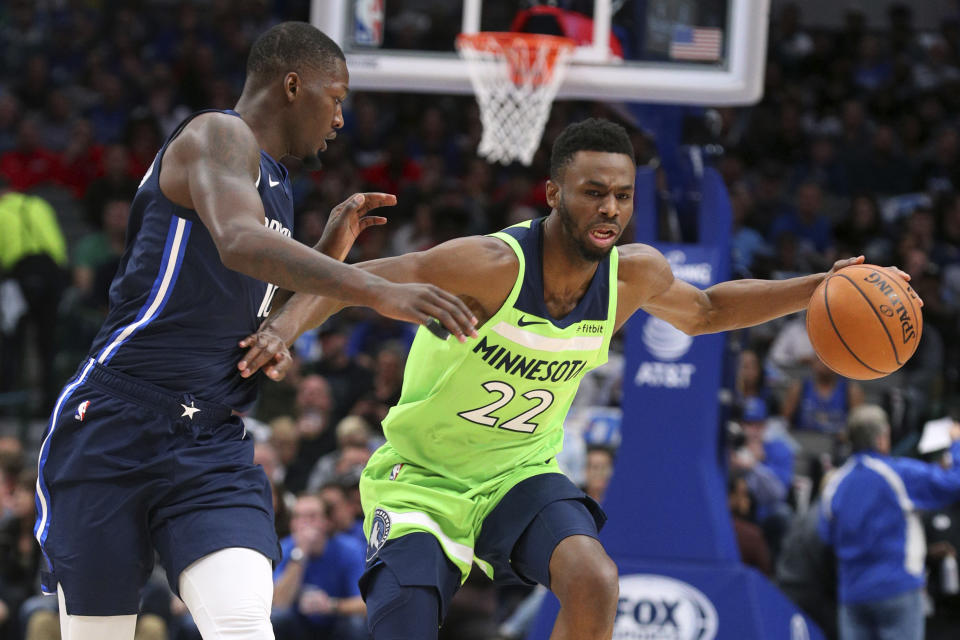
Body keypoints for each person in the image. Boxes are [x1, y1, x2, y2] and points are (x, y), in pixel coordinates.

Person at [240, 118, 916, 639]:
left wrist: (820, 285)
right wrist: (282, 329)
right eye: (594, 193)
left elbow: (708, 311)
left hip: (519, 474)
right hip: (423, 479)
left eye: (622, 196)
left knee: (594, 578)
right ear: (555, 193)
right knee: (406, 623)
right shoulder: (489, 265)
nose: (610, 210)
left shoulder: (635, 275)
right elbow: (354, 281)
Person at [33, 22, 477, 640]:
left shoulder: (277, 189)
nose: (341, 119)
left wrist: (328, 255)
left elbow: (260, 323)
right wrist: (379, 290)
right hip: (116, 420)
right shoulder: (216, 135)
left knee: (244, 625)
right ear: (293, 85)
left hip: (209, 440)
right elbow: (240, 244)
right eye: (337, 97)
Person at [818, 405, 960, 640]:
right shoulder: (897, 473)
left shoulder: (834, 484)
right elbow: (954, 483)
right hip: (897, 588)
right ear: (882, 438)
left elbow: (826, 536)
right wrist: (956, 443)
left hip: (852, 594)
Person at [271, 493, 367, 640]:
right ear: (292, 524)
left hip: (336, 622)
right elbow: (279, 603)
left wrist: (331, 605)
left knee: (356, 623)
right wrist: (300, 554)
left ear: (327, 521)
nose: (305, 523)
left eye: (312, 516)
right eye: (298, 517)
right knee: (277, 618)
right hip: (299, 625)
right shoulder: (285, 548)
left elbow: (365, 604)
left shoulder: (349, 549)